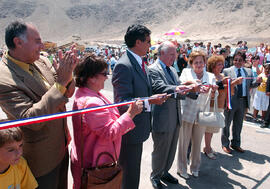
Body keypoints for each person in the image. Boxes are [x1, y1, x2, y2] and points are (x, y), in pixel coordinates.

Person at [0, 21, 77, 188]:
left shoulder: (41, 61)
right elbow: (30, 120)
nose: (42, 46)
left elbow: (66, 93)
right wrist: (62, 82)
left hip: (61, 148)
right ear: (18, 42)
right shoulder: (4, 78)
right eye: (37, 41)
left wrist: (68, 76)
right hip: (41, 160)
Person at [70, 54, 143, 189]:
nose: (107, 77)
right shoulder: (92, 102)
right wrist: (130, 114)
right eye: (104, 73)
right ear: (91, 78)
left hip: (88, 159)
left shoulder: (86, 93)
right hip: (95, 165)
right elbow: (110, 133)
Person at [112, 24, 167, 189]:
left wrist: (176, 89)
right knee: (129, 174)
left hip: (139, 128)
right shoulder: (124, 65)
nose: (150, 45)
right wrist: (150, 101)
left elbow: (150, 87)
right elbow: (122, 102)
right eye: (148, 42)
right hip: (130, 131)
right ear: (138, 42)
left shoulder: (139, 62)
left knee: (133, 171)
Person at [148, 41, 198, 189]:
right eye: (171, 54)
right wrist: (178, 88)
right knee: (161, 149)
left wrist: (192, 91)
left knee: (171, 149)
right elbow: (159, 88)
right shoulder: (153, 70)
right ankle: (155, 175)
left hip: (175, 117)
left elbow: (177, 93)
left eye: (175, 54)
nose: (174, 57)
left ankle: (165, 172)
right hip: (162, 118)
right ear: (161, 53)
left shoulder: (172, 70)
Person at [177, 51, 216, 179]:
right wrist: (193, 85)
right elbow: (181, 88)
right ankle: (181, 168)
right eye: (196, 62)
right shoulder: (186, 73)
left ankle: (195, 167)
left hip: (201, 114)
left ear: (205, 63)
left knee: (197, 143)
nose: (199, 65)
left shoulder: (210, 76)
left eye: (201, 62)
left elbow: (215, 96)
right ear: (191, 64)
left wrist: (212, 91)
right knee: (183, 143)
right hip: (187, 112)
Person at [222, 51, 261, 154]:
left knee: (238, 124)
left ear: (244, 61)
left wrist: (257, 81)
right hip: (231, 100)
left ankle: (236, 144)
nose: (237, 62)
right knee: (226, 123)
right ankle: (225, 144)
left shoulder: (248, 72)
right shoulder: (227, 71)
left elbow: (250, 85)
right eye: (235, 60)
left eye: (240, 60)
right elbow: (224, 86)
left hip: (243, 101)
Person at [204, 55, 240, 160]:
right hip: (212, 105)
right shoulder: (210, 76)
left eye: (221, 64)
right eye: (219, 64)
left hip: (220, 105)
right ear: (213, 66)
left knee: (213, 128)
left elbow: (227, 90)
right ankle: (207, 148)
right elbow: (216, 87)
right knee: (209, 129)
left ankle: (208, 146)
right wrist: (230, 82)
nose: (221, 66)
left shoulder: (222, 75)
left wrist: (233, 83)